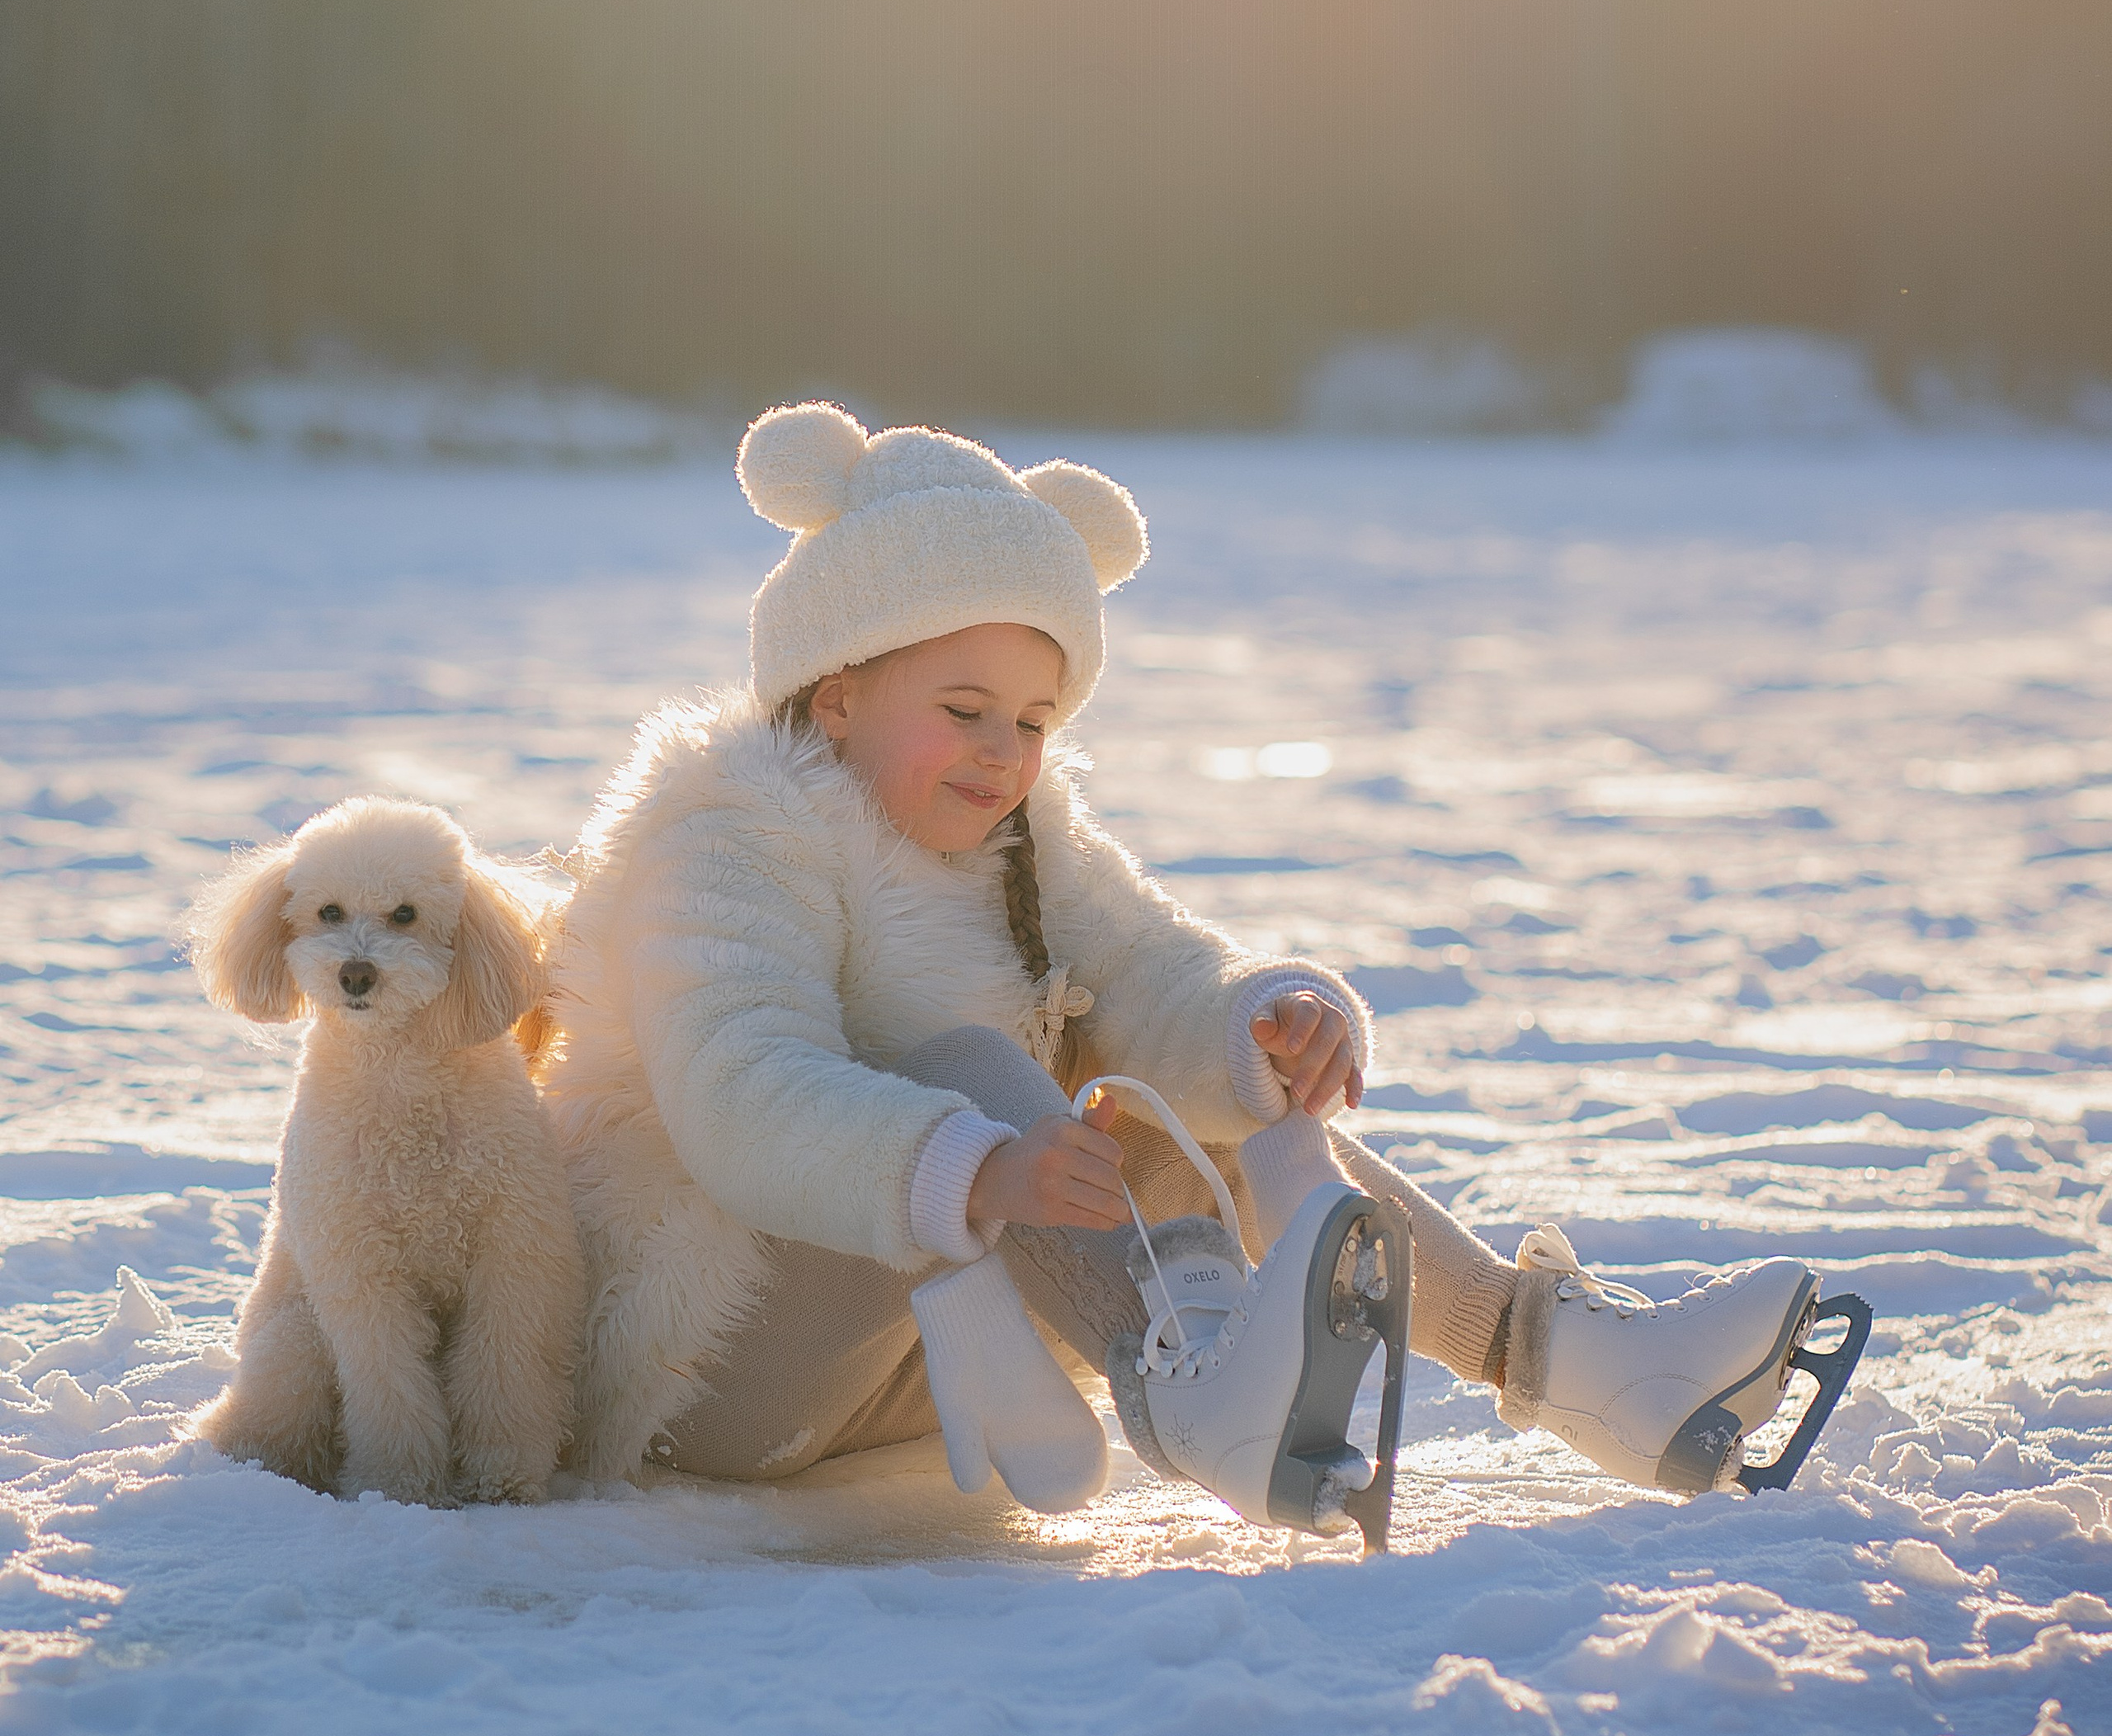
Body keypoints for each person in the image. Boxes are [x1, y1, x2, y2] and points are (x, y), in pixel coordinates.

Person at [542, 403, 1825, 1526]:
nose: (1003, 754)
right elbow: (739, 1089)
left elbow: (1154, 970)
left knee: (1183, 1109)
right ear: (834, 695)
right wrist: (977, 1163)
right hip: (713, 1362)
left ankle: (1574, 1367)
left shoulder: (1028, 845)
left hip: (919, 1363)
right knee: (974, 1071)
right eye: (964, 712)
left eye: (1034, 721)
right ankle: (1200, 1397)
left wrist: (1260, 1025)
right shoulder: (731, 831)